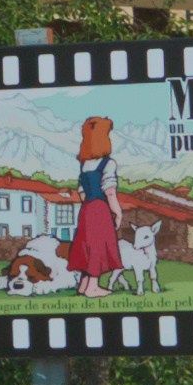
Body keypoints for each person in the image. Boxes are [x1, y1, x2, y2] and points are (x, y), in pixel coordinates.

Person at [62, 111, 125, 296]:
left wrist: (89, 204)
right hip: (99, 208)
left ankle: (84, 284)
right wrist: (117, 212)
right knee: (97, 245)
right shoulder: (108, 163)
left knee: (85, 244)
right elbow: (110, 191)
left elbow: (81, 191)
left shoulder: (84, 165)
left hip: (87, 208)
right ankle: (92, 287)